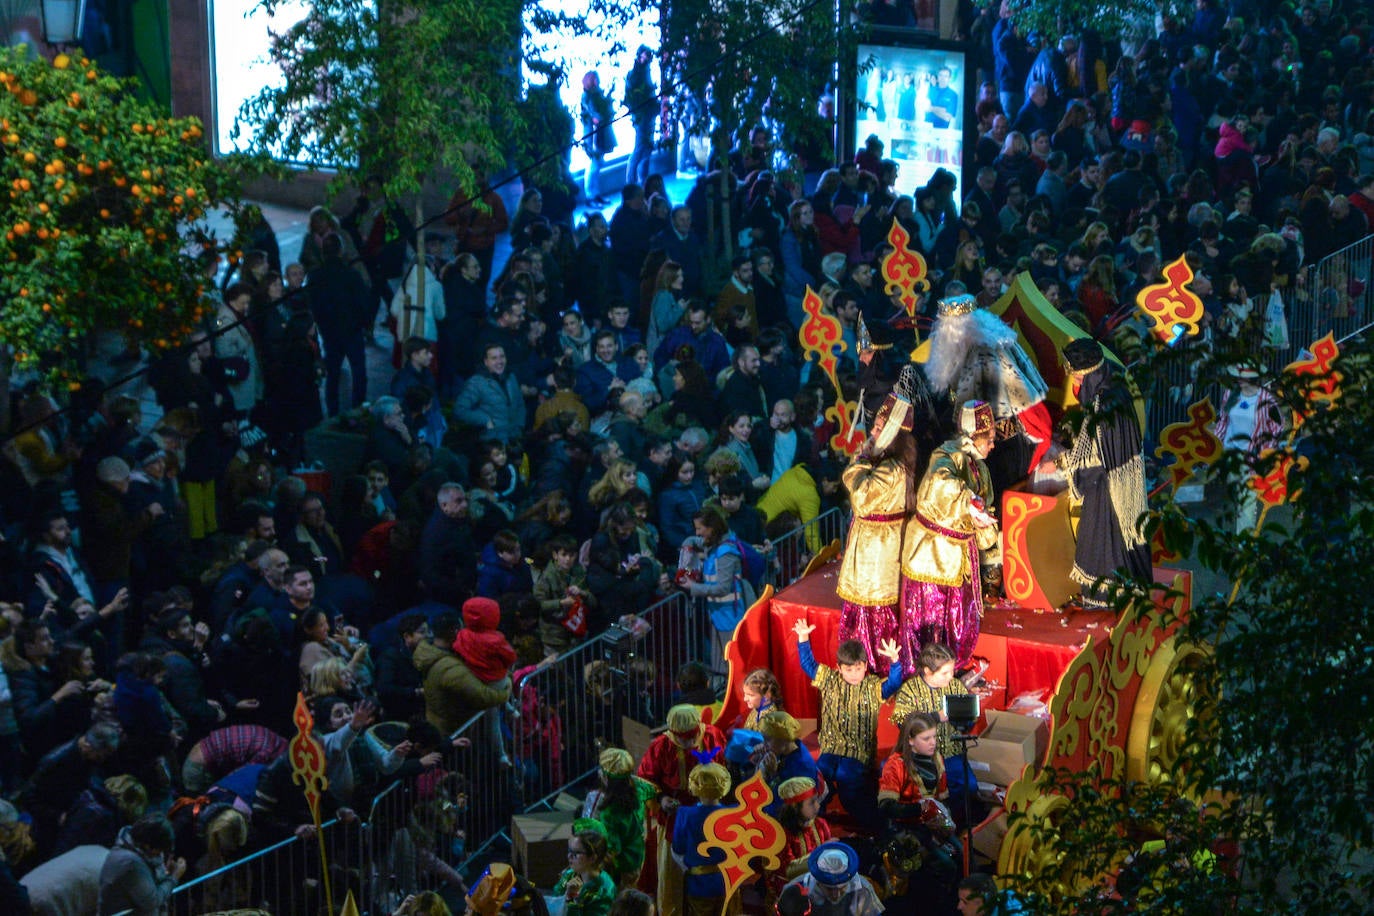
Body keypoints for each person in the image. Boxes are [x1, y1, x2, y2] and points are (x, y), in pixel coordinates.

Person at [1046, 338, 1151, 609]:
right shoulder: (1113, 389)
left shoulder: (1105, 405)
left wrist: (1062, 464)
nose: (1075, 382)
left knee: (1103, 543)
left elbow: (1098, 457)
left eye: (1077, 375)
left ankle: (1105, 598)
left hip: (1109, 487)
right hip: (1120, 478)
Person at [899, 401, 999, 668]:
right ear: (974, 437)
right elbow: (941, 482)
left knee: (957, 620)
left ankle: (951, 671)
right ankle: (927, 676)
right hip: (932, 559)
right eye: (989, 439)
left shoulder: (979, 465)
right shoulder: (946, 455)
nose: (993, 445)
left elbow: (982, 504)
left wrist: (981, 520)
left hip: (958, 558)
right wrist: (969, 503)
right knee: (930, 622)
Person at [836, 367, 922, 677]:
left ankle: (874, 667)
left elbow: (861, 496)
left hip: (877, 548)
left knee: (873, 609)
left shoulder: (893, 469)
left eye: (879, 428)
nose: (873, 432)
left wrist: (857, 464)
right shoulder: (890, 464)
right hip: (874, 540)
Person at [792, 620, 901, 831]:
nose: (853, 673)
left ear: (865, 667)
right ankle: (815, 821)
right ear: (839, 668)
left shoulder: (872, 687)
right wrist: (803, 638)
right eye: (848, 669)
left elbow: (894, 683)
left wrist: (895, 661)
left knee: (847, 781)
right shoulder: (830, 680)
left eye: (857, 668)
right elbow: (808, 665)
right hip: (831, 748)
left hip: (857, 753)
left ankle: (873, 823)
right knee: (818, 776)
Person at [634, 704, 725, 913]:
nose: (688, 742)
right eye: (682, 739)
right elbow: (645, 780)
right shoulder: (660, 747)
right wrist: (662, 798)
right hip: (674, 820)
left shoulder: (713, 737)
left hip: (711, 818)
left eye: (691, 737)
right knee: (672, 875)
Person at [581, 747, 657, 888]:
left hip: (621, 867)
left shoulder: (609, 812)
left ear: (606, 778)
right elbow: (654, 792)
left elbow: (613, 848)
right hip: (638, 857)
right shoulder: (639, 790)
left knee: (622, 904)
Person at [670, 762, 734, 916]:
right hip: (727, 881)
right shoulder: (732, 813)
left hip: (699, 883)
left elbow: (678, 847)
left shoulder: (685, 814)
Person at [96, 813, 184, 916]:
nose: (160, 854)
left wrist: (165, 873)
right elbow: (152, 901)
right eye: (159, 850)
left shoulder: (131, 848)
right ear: (148, 846)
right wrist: (174, 877)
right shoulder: (131, 863)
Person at [781, 841, 885, 916]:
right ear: (817, 882)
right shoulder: (795, 890)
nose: (836, 895)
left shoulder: (863, 889)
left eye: (841, 888)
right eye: (830, 889)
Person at [554, 827, 618, 916]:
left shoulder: (603, 891)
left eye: (576, 853)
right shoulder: (569, 874)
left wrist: (572, 898)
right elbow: (555, 898)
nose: (569, 856)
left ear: (592, 858)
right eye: (569, 850)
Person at [581, 71, 616, 205]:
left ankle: (595, 194)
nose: (597, 81)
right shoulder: (587, 97)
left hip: (600, 132)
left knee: (597, 163)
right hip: (593, 133)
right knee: (594, 164)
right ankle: (591, 196)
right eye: (594, 79)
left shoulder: (597, 94)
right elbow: (594, 115)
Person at [624, 45, 657, 186]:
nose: (647, 59)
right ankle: (631, 182)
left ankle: (642, 180)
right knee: (639, 148)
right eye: (645, 56)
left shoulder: (645, 72)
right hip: (642, 115)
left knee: (646, 147)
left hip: (648, 114)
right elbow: (632, 97)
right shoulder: (634, 74)